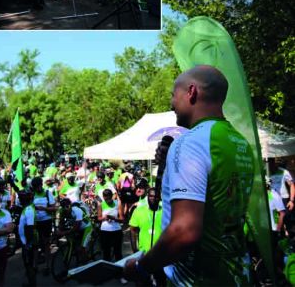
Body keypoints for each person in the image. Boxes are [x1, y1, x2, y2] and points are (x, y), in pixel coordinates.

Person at [123, 65, 255, 285]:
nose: (171, 104)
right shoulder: (240, 142)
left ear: (191, 92)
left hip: (197, 279)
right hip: (236, 274)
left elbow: (184, 231)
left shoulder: (191, 142)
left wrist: (140, 267)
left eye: (173, 95)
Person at [31, 176, 56, 275]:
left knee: (46, 243)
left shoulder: (47, 193)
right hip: (36, 222)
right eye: (35, 187)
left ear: (41, 185)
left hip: (46, 221)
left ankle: (47, 266)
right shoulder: (32, 194)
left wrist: (44, 208)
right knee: (35, 244)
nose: (37, 188)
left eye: (38, 186)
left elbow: (54, 208)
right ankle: (34, 266)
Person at [57, 198, 93, 264]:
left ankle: (87, 262)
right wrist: (59, 230)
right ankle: (80, 256)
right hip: (79, 228)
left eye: (67, 206)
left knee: (82, 247)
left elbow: (76, 227)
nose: (65, 209)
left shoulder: (76, 210)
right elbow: (61, 222)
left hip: (87, 227)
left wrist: (63, 232)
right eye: (63, 207)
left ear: (70, 205)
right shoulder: (62, 211)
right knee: (76, 244)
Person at [129, 187, 163, 255]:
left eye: (156, 196)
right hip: (143, 253)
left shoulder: (165, 212)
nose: (153, 198)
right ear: (147, 197)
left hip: (161, 253)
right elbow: (132, 230)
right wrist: (135, 250)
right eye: (151, 196)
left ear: (159, 198)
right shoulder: (138, 211)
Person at [97, 188, 124, 262]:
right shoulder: (100, 204)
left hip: (116, 230)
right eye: (106, 199)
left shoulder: (117, 203)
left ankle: (119, 267)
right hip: (105, 231)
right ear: (103, 197)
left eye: (109, 198)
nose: (108, 200)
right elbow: (99, 218)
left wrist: (114, 218)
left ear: (112, 196)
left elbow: (122, 219)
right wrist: (105, 218)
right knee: (106, 253)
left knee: (118, 253)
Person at [18, 189, 38, 287]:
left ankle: (32, 284)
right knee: (28, 263)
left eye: (21, 197)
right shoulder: (27, 208)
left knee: (28, 264)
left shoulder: (29, 210)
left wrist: (28, 244)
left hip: (28, 241)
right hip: (26, 240)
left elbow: (30, 227)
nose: (19, 199)